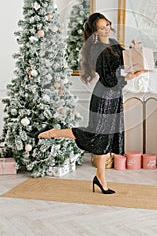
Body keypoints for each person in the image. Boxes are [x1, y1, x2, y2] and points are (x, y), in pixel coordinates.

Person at [36, 12, 143, 194]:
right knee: (95, 135)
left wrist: (133, 52)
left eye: (107, 24)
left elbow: (123, 65)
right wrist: (129, 78)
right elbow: (110, 79)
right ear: (94, 32)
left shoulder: (114, 44)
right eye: (102, 27)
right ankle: (52, 133)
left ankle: (100, 178)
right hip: (104, 97)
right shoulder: (96, 50)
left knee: (104, 139)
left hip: (114, 96)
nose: (107, 28)